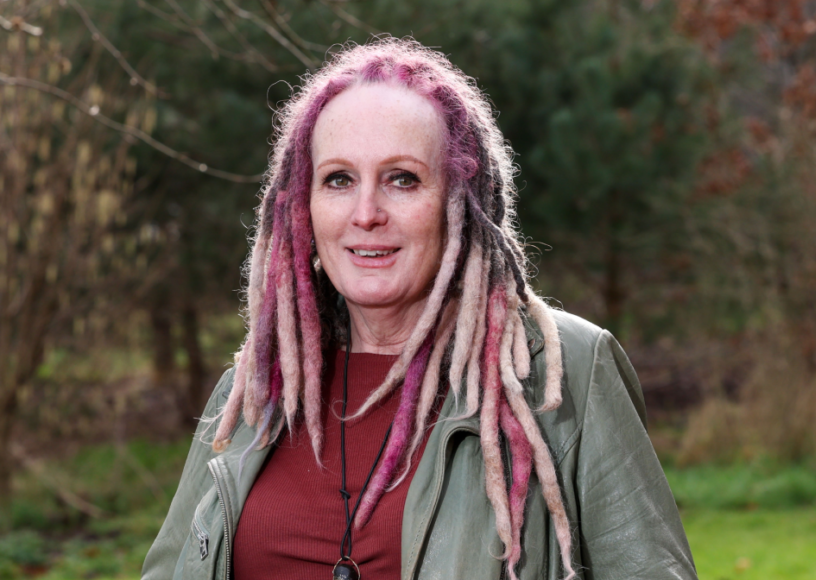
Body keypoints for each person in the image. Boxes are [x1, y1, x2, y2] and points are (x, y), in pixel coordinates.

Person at [142, 38, 697, 580]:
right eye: (339, 180)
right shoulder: (255, 389)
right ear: (303, 207)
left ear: (462, 202)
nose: (366, 213)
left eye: (402, 179)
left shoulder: (562, 371)